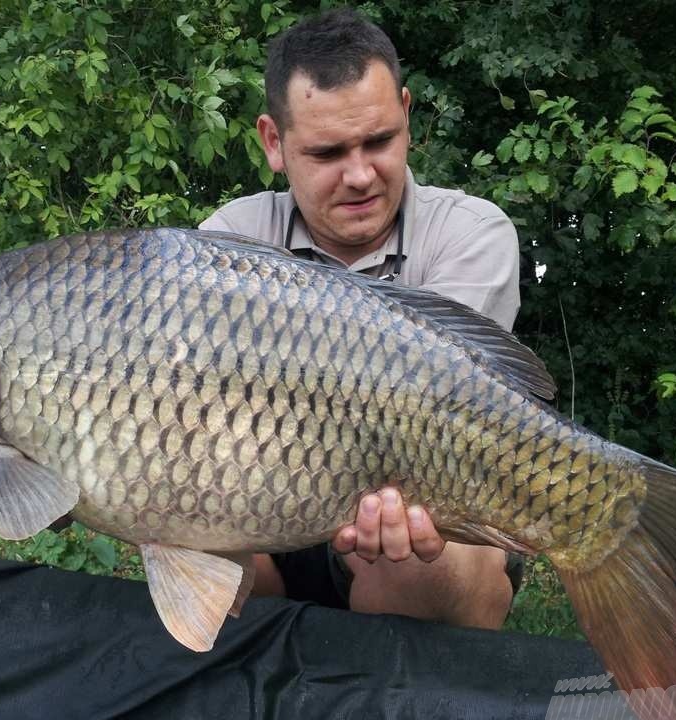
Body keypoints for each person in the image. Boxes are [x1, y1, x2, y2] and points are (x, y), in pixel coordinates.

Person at [199, 8, 523, 629]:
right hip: (267, 515)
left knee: (409, 556)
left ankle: (399, 707)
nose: (359, 175)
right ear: (273, 142)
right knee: (156, 505)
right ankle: (274, 663)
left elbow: (433, 419)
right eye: (326, 152)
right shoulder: (229, 241)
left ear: (405, 114)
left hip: (421, 519)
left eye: (379, 141)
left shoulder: (471, 233)